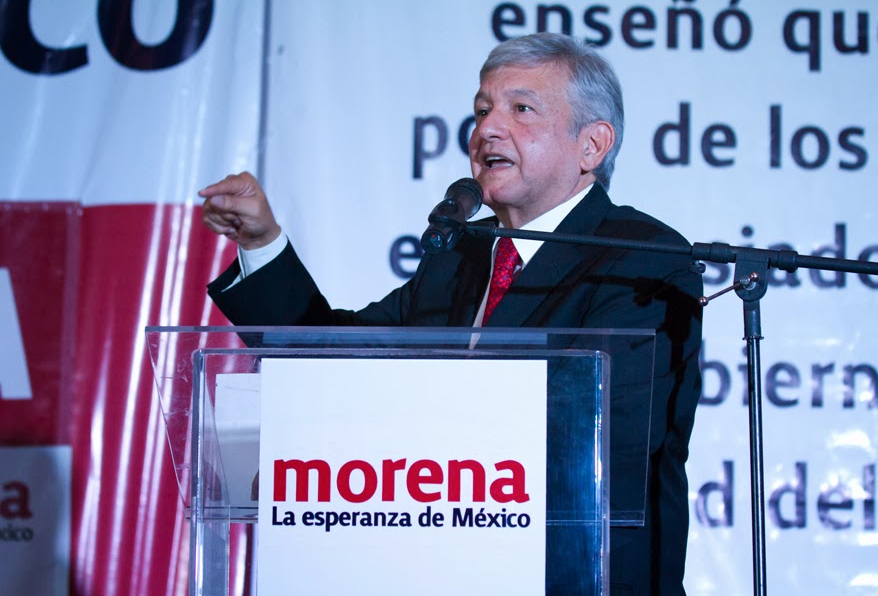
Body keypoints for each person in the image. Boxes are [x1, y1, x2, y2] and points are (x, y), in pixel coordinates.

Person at [202, 33, 702, 595]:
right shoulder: (459, 255)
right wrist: (263, 243)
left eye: (521, 109)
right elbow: (326, 357)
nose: (488, 129)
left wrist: (393, 450)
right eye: (483, 110)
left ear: (592, 145)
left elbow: (601, 441)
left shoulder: (641, 259)